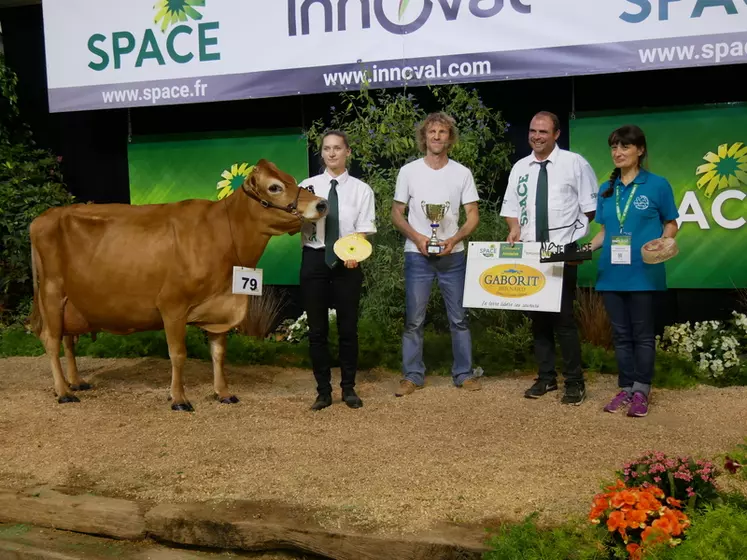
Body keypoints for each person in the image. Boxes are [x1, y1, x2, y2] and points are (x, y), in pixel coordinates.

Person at [500, 111, 599, 405]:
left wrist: (575, 242)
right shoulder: (520, 167)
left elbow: (591, 209)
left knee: (564, 319)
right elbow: (511, 209)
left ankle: (574, 382)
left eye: (543, 131)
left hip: (561, 250)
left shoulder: (574, 164)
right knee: (538, 319)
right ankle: (546, 378)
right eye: (532, 131)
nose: (536, 136)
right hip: (530, 252)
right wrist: (514, 229)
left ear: (556, 134)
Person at [589, 124, 679, 418]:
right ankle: (625, 388)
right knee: (621, 335)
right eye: (614, 147)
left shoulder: (657, 185)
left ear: (640, 150)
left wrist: (666, 241)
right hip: (611, 273)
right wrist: (583, 251)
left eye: (625, 147)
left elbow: (671, 223)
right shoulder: (606, 189)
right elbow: (605, 233)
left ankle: (642, 390)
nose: (618, 152)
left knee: (642, 334)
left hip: (643, 273)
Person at [391, 112, 481, 396]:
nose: (437, 137)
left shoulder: (462, 172)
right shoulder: (409, 171)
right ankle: (412, 375)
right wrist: (418, 237)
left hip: (453, 256)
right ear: (424, 137)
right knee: (414, 320)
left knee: (459, 319)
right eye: (432, 132)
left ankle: (464, 373)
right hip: (417, 255)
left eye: (442, 132)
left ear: (449, 137)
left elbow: (473, 215)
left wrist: (454, 239)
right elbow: (396, 213)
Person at [298, 130, 376, 411]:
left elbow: (364, 230)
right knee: (317, 330)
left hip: (348, 262)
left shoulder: (361, 190)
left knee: (348, 329)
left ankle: (348, 389)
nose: (331, 153)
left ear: (348, 152)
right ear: (322, 153)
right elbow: (295, 223)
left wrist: (355, 253)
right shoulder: (306, 187)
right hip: (314, 259)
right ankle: (323, 391)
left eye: (337, 148)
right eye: (327, 149)